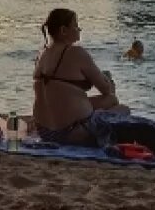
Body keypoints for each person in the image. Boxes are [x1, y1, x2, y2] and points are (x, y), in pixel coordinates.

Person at [32, 8, 129, 146]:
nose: (79, 29)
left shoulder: (42, 55)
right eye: (76, 26)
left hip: (44, 132)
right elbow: (107, 91)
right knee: (121, 107)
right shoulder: (77, 52)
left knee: (105, 101)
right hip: (71, 133)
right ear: (64, 30)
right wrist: (108, 79)